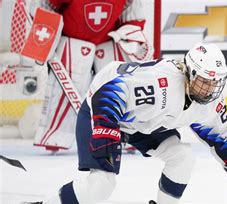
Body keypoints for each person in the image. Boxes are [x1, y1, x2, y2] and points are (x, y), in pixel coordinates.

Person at [7, 43, 227, 204]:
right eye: (204, 82)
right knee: (101, 186)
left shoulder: (211, 101)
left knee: (182, 157)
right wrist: (106, 130)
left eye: (215, 83)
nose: (209, 90)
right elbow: (108, 92)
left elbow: (222, 138)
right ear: (189, 73)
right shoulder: (160, 83)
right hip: (105, 112)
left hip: (143, 122)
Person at [31, 0, 154, 152]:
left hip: (109, 40)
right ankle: (57, 133)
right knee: (63, 90)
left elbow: (131, 10)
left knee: (120, 89)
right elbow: (46, 6)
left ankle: (129, 133)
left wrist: (130, 34)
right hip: (72, 40)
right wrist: (45, 35)